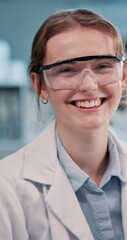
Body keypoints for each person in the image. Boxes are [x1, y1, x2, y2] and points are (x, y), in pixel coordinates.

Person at [0, 8, 127, 240]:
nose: (88, 85)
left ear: (124, 76)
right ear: (40, 86)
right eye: (67, 70)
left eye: (103, 66)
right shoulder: (6, 187)